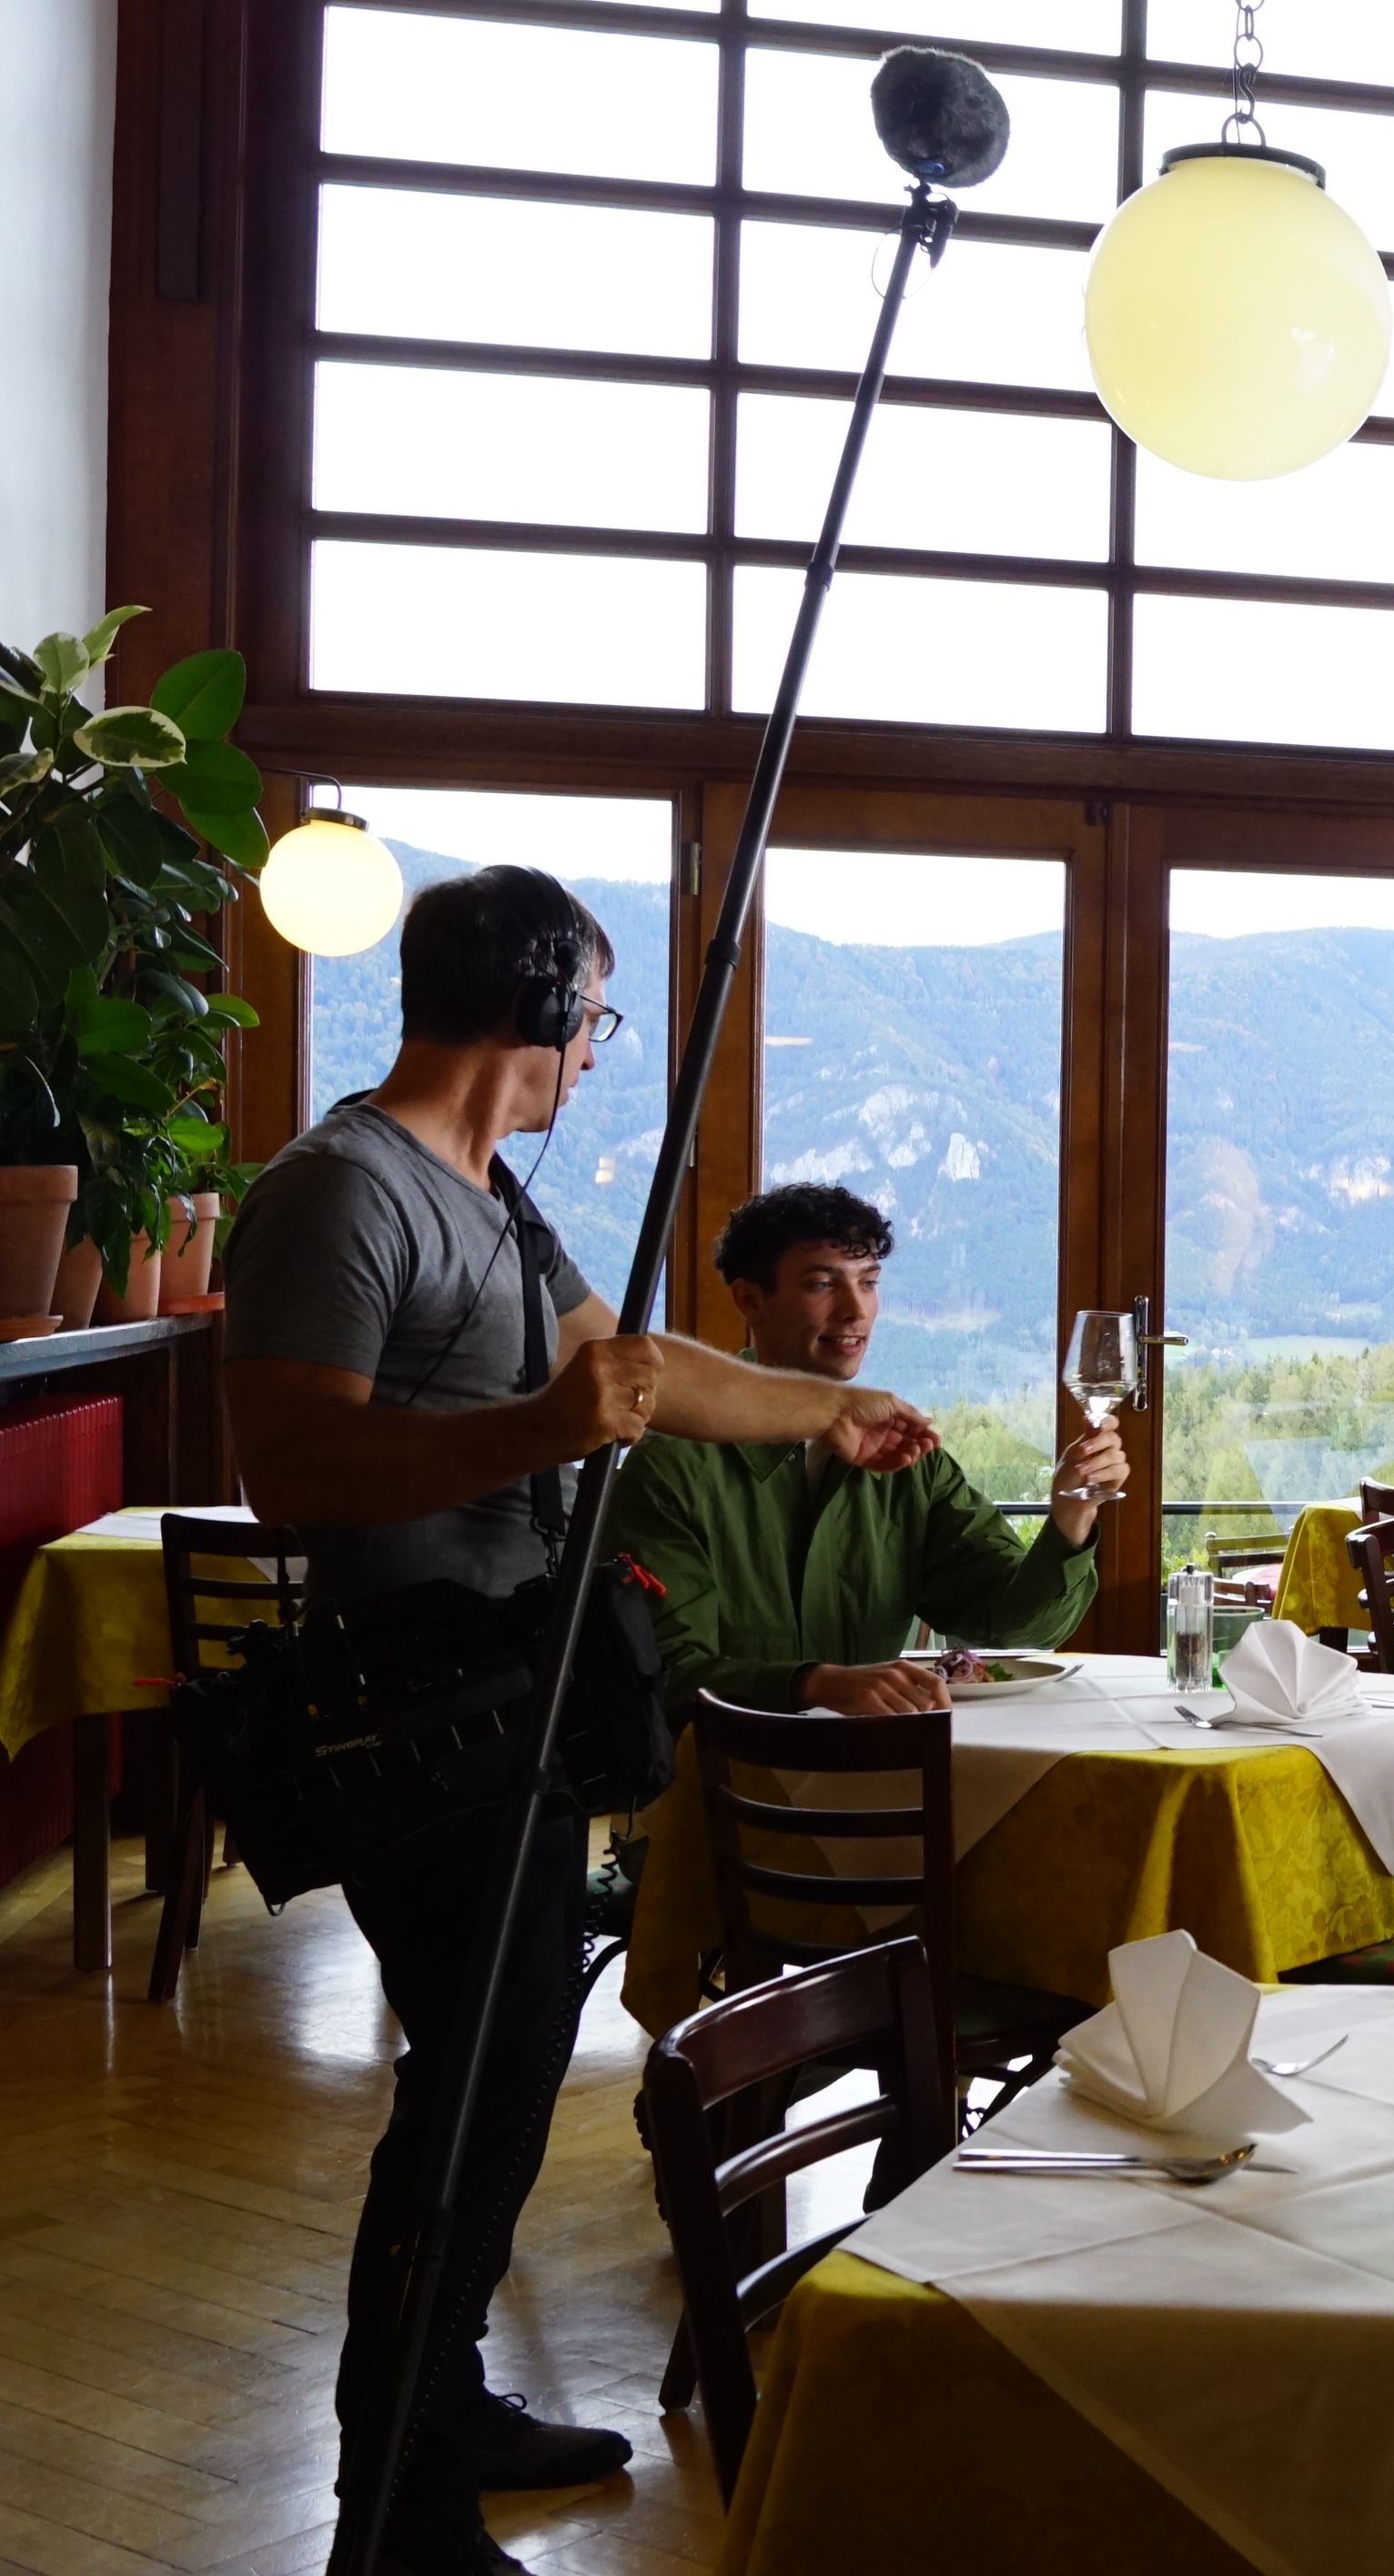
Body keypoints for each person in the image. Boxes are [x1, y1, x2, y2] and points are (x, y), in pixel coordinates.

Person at [227, 867, 935, 2576]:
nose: (596, 1055)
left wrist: (823, 1412)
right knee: (465, 2098)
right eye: (594, 1015)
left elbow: (649, 1370)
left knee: (515, 2076)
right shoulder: (342, 1188)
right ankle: (388, 2500)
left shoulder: (490, 1196)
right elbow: (293, 1468)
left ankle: (447, 2398)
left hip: (517, 1716)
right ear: (539, 999)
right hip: (414, 1720)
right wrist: (540, 1431)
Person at [611, 1182, 1120, 1722]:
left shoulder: (910, 1462)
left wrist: (1071, 1516)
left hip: (883, 1777)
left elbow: (1019, 1626)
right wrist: (813, 1684)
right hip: (720, 1787)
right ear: (749, 1299)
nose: (855, 1311)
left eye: (869, 1283)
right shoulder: (670, 1469)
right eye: (823, 1284)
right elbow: (661, 1675)